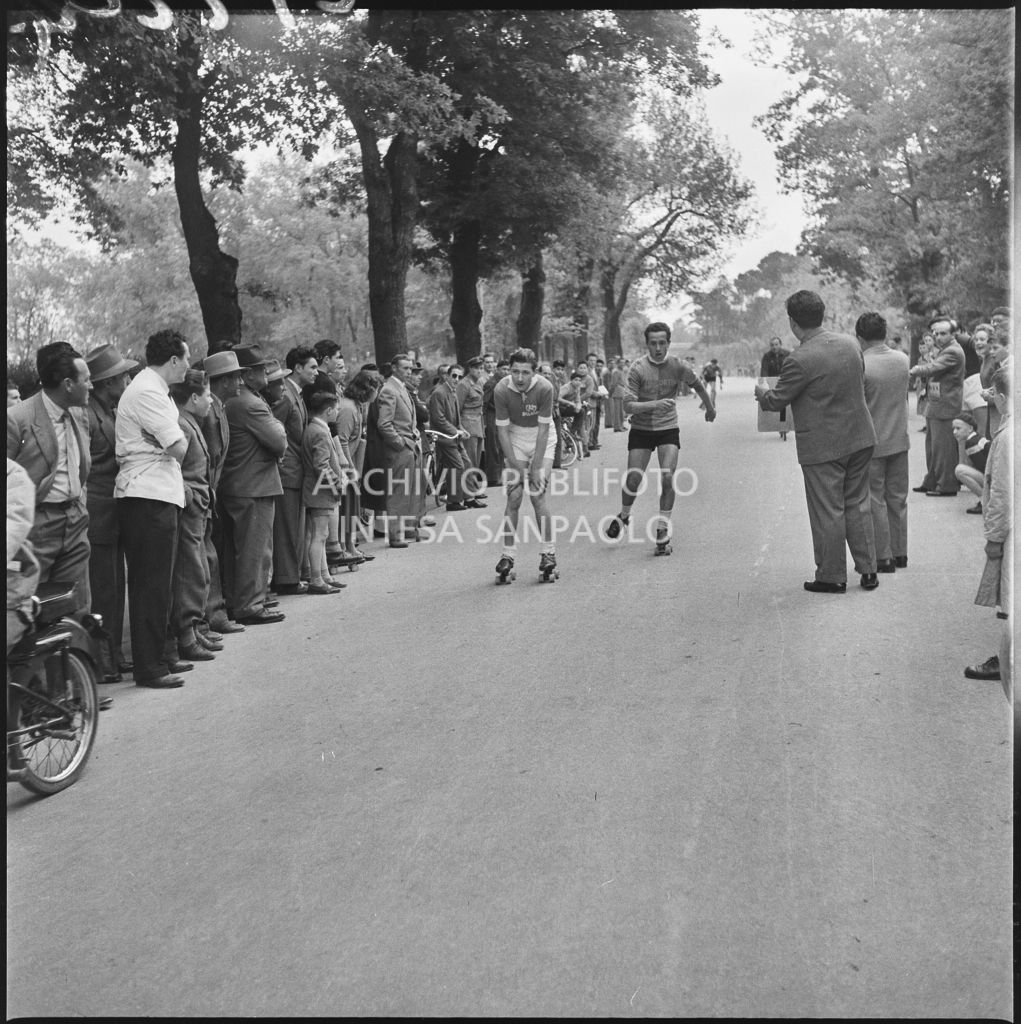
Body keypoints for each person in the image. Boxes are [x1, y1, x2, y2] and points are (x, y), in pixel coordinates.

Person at [755, 291, 879, 592]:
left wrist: (761, 393)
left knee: (828, 510)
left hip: (823, 446)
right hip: (861, 436)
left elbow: (777, 400)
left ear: (793, 323)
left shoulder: (798, 359)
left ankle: (832, 575)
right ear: (821, 314)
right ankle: (869, 571)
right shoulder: (851, 344)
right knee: (858, 504)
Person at [115, 329, 191, 688]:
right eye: (187, 358)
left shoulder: (155, 389)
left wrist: (169, 439)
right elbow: (179, 447)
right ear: (173, 360)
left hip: (157, 492)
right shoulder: (148, 391)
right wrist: (173, 438)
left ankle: (159, 657)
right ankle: (149, 666)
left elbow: (173, 443)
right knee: (151, 584)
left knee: (162, 582)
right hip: (146, 496)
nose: (189, 365)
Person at [604, 322, 716, 554]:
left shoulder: (678, 366)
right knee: (634, 479)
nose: (658, 348)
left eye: (662, 343)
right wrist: (655, 404)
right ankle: (624, 516)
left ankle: (662, 527)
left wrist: (709, 407)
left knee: (667, 475)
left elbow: (698, 385)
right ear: (647, 344)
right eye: (653, 343)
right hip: (642, 429)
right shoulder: (637, 368)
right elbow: (627, 405)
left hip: (667, 428)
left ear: (668, 343)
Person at [7, 342, 93, 614]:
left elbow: (80, 465)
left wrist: (79, 504)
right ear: (68, 384)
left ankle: (74, 657)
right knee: (31, 609)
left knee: (74, 606)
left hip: (75, 522)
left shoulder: (80, 413)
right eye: (86, 380)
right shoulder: (17, 419)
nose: (91, 386)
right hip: (38, 527)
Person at [219, 344, 287, 625]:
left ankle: (244, 600)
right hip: (253, 486)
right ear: (247, 375)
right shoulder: (251, 404)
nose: (267, 374)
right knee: (255, 549)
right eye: (261, 370)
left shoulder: (241, 401)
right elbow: (279, 440)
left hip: (240, 484)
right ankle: (250, 604)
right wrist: (279, 428)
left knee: (246, 548)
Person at [84, 343, 138, 681]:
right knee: (103, 592)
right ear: (107, 382)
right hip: (97, 513)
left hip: (113, 511)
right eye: (123, 375)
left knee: (116, 589)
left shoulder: (110, 410)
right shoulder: (88, 415)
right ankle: (102, 662)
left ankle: (114, 655)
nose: (128, 379)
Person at [492, 348, 559, 581]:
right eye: (514, 372)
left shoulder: (545, 388)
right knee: (514, 496)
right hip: (515, 438)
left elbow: (543, 431)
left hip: (542, 438)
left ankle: (548, 552)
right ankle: (507, 555)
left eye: (525, 373)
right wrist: (518, 469)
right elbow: (502, 433)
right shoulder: (501, 388)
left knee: (537, 494)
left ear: (535, 372)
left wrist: (535, 469)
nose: (519, 378)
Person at [965, 367, 1011, 691]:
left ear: (1004, 398)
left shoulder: (1008, 438)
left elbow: (1002, 496)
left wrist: (993, 539)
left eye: (993, 394)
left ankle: (1009, 662)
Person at [167, 369, 217, 664]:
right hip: (191, 507)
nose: (211, 400)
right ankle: (186, 634)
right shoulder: (181, 425)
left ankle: (194, 627)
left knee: (200, 567)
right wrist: (191, 497)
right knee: (190, 570)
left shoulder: (188, 421)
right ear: (194, 398)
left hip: (199, 505)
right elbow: (175, 466)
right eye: (208, 395)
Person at [857, 312, 910, 573]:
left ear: (859, 337)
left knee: (874, 499)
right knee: (898, 498)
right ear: (885, 334)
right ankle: (901, 553)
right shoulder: (902, 360)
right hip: (900, 439)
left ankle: (884, 557)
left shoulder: (861, 365)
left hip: (873, 443)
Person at [198, 350, 246, 636]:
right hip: (206, 492)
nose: (240, 381)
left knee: (211, 553)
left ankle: (214, 611)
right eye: (235, 377)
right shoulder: (211, 411)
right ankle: (212, 613)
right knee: (207, 555)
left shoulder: (219, 407)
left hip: (210, 492)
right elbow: (209, 457)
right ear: (222, 381)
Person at [270, 346, 317, 595]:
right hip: (287, 469)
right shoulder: (285, 396)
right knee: (287, 527)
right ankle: (287, 579)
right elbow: (274, 430)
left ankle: (293, 574)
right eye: (312, 367)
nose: (316, 373)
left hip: (295, 468)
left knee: (294, 526)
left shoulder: (294, 393)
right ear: (297, 368)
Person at [908, 316, 965, 496]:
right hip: (937, 405)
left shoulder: (952, 351)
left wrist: (911, 370)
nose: (938, 337)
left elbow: (931, 368)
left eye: (943, 333)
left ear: (952, 334)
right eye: (936, 333)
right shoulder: (944, 349)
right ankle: (932, 481)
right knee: (933, 447)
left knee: (943, 449)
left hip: (946, 406)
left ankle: (947, 485)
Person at [376, 353, 426, 547]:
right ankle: (395, 534)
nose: (409, 371)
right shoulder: (389, 389)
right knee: (399, 491)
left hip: (411, 445)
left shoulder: (401, 388)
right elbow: (384, 424)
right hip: (400, 448)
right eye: (405, 368)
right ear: (395, 368)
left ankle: (409, 527)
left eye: (410, 368)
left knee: (412, 488)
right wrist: (399, 443)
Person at [302, 390, 346, 594]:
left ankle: (324, 575)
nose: (338, 411)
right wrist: (337, 483)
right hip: (320, 490)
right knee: (319, 535)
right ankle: (317, 579)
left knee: (321, 533)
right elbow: (322, 465)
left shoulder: (317, 428)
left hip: (318, 489)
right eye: (336, 408)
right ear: (328, 411)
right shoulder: (319, 431)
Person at [428, 362, 476, 512]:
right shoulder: (439, 392)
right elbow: (438, 419)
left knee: (467, 464)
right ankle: (453, 501)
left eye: (459, 377)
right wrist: (456, 431)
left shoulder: (452, 392)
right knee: (457, 466)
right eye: (453, 375)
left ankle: (469, 498)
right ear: (447, 376)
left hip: (454, 436)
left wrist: (461, 429)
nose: (456, 379)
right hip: (444, 438)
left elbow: (456, 418)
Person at [952, 411, 990, 514]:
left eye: (958, 428)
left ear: (970, 428)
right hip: (993, 477)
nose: (954, 432)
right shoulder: (975, 438)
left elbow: (983, 467)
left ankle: (985, 501)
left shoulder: (971, 444)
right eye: (954, 429)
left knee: (959, 470)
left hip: (993, 479)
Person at [456, 355, 486, 469]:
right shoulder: (464, 384)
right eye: (476, 368)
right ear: (470, 369)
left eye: (481, 368)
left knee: (477, 456)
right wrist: (460, 427)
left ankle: (472, 482)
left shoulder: (478, 383)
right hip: (468, 424)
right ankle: (469, 483)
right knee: (470, 457)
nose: (479, 371)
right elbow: (457, 407)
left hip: (478, 424)